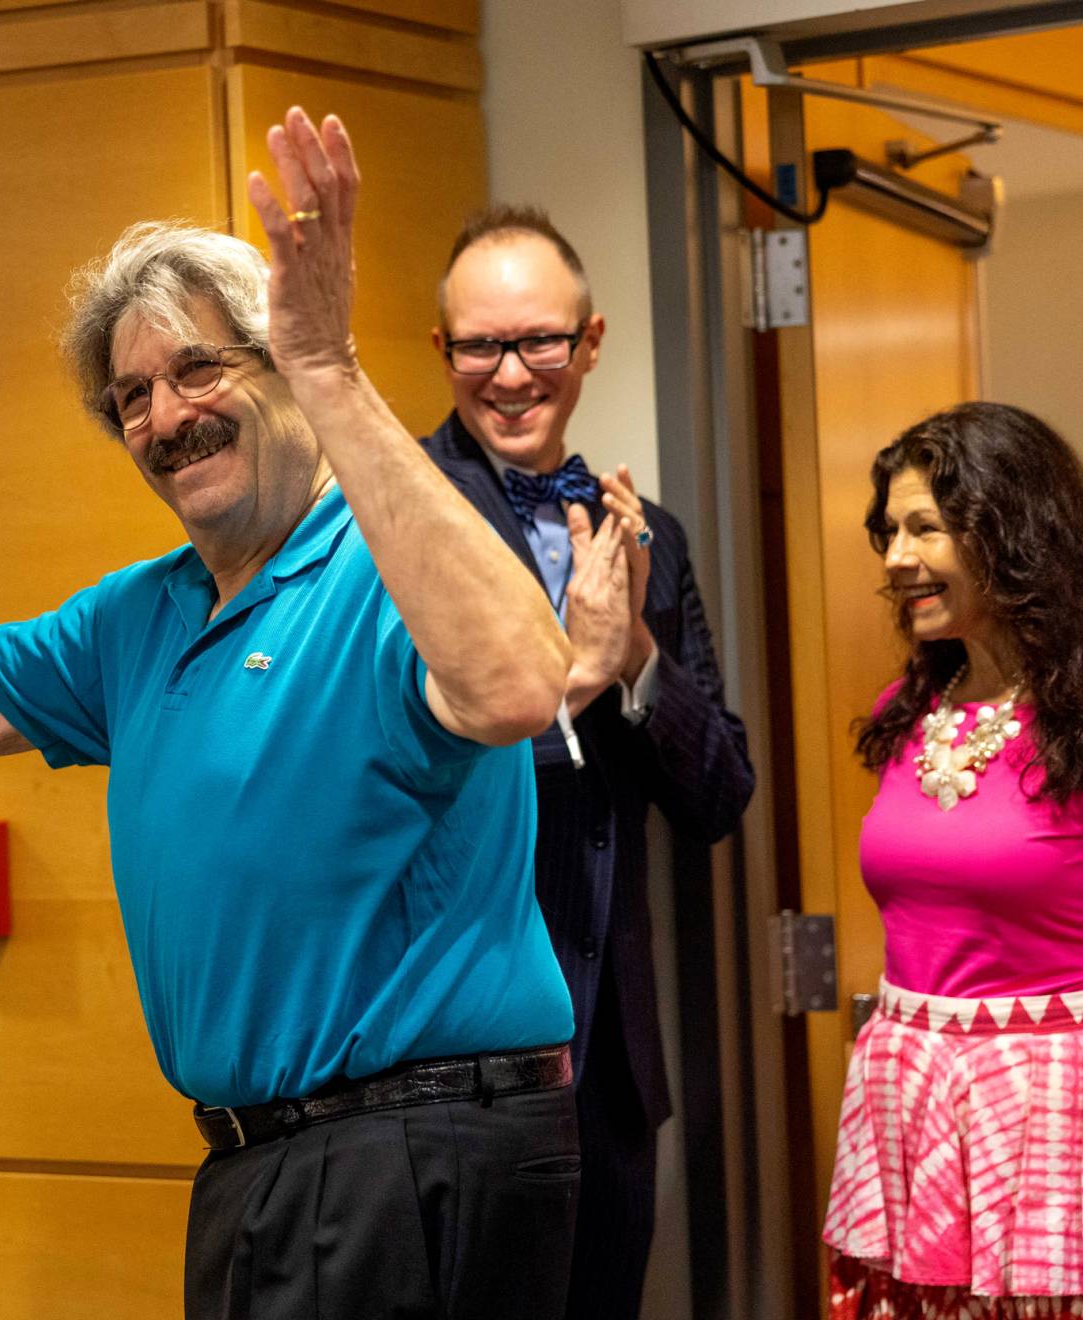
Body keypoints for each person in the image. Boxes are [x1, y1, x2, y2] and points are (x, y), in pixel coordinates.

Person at [0, 109, 584, 1320]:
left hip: (418, 1151)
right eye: (131, 400)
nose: (167, 419)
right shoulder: (138, 616)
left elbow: (521, 686)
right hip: (258, 1165)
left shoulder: (387, 560)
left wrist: (331, 369)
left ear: (279, 363)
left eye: (199, 369)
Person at [420, 206, 754, 1320]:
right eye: (480, 346)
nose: (510, 375)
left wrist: (633, 659)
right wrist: (560, 673)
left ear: (592, 342)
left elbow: (719, 795)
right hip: (449, 1063)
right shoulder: (389, 520)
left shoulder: (647, 533)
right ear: (444, 353)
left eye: (540, 342)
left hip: (610, 1068)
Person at [823, 402, 1083, 1320]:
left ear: (1011, 531)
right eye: (889, 531)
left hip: (1049, 1121)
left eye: (926, 528)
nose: (896, 559)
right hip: (912, 1104)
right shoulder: (909, 708)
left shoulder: (1076, 722)